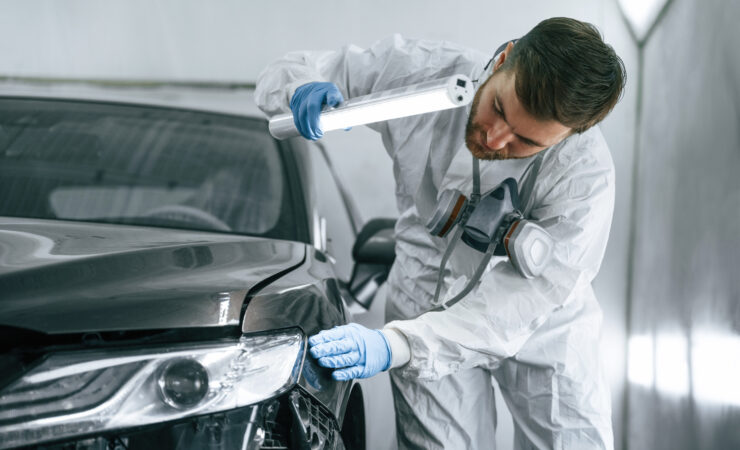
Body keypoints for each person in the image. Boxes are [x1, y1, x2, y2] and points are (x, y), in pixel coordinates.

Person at [255, 17, 626, 450]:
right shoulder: (422, 72)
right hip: (423, 291)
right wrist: (299, 88)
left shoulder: (585, 178)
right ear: (502, 61)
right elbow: (288, 70)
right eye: (499, 108)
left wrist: (396, 344)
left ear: (569, 136)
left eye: (525, 142)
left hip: (540, 323)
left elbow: (516, 306)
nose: (494, 136)